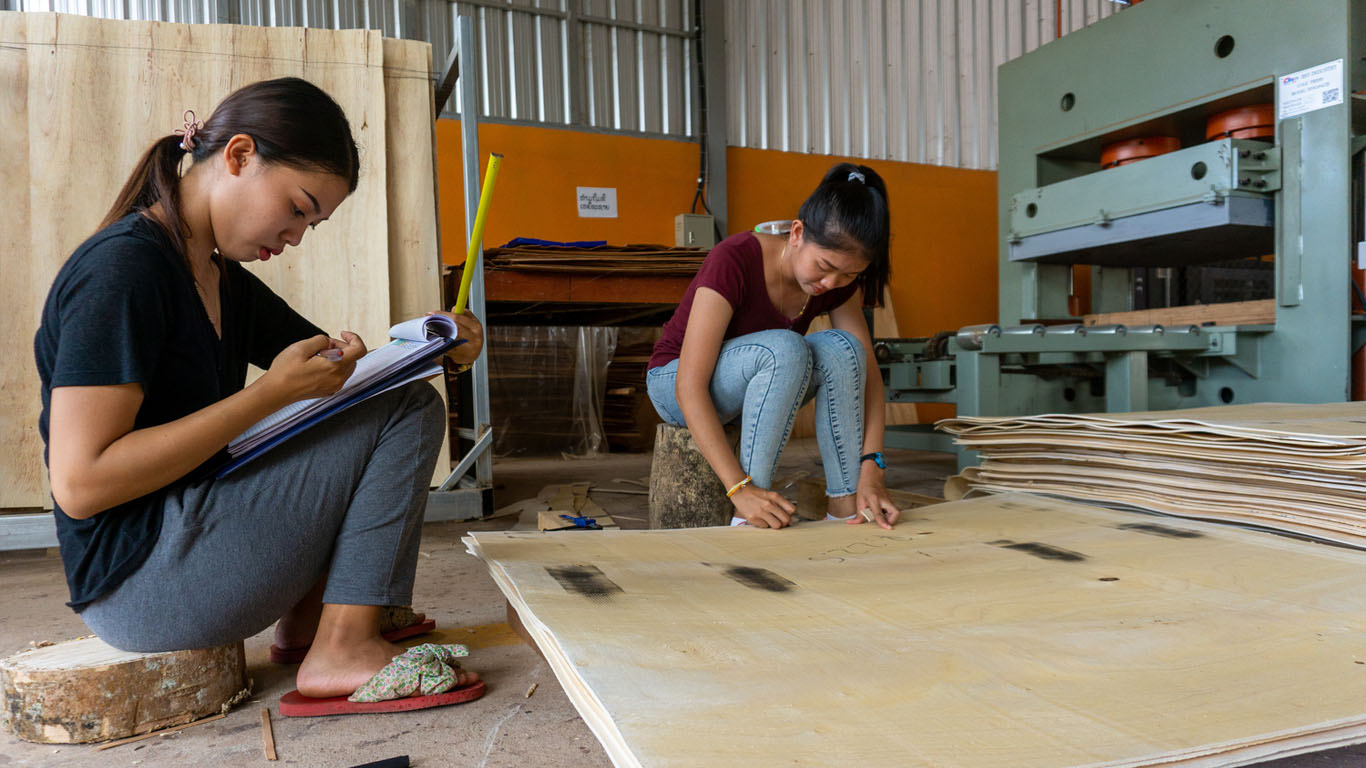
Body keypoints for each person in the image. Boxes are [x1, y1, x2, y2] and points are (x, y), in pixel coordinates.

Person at [34, 77, 483, 711]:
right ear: (240, 156)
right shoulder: (123, 271)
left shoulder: (218, 275)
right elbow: (81, 484)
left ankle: (310, 626)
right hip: (140, 584)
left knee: (387, 400)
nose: (298, 235)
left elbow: (339, 379)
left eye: (314, 223)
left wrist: (440, 344)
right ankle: (344, 647)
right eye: (298, 208)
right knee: (406, 412)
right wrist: (268, 396)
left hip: (187, 538)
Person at [647, 163, 901, 530]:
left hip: (757, 380)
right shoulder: (734, 258)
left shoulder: (836, 283)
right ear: (797, 233)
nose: (831, 283)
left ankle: (846, 507)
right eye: (825, 266)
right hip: (673, 384)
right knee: (786, 348)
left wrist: (872, 469)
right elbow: (689, 385)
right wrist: (739, 489)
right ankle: (750, 514)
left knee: (844, 350)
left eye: (848, 275)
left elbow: (868, 376)